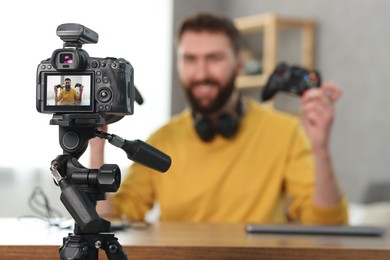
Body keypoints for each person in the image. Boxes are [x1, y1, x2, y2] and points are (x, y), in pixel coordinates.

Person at [90, 13, 348, 224]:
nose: (201, 73)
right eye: (190, 59)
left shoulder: (285, 131)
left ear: (239, 64)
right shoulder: (162, 139)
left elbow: (327, 225)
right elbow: (111, 219)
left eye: (214, 58)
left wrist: (321, 148)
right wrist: (97, 144)